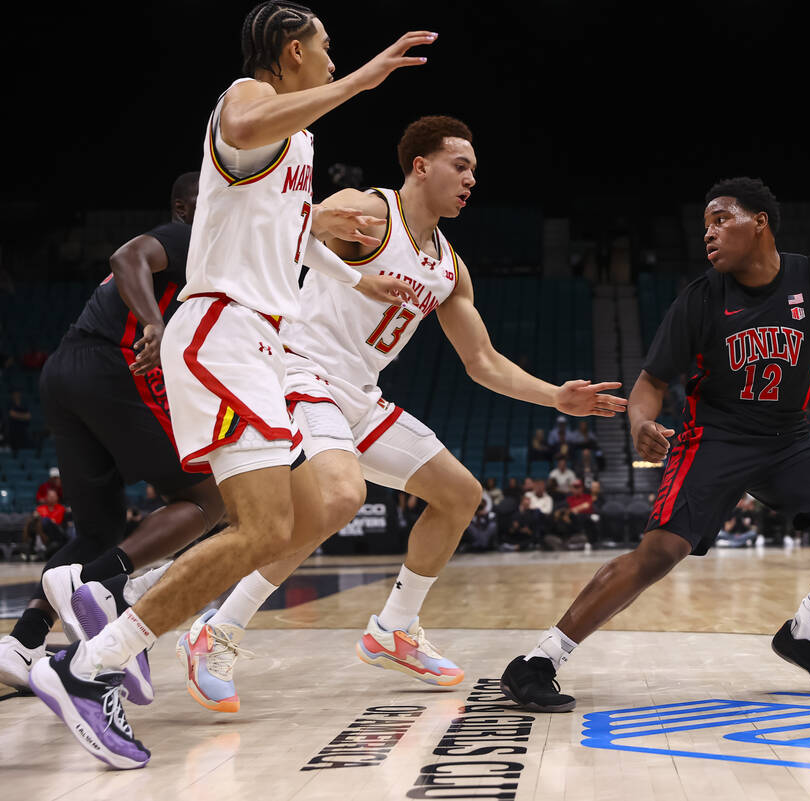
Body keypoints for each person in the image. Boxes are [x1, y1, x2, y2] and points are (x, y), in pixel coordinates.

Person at [28, 4, 435, 769]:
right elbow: (245, 131)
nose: (330, 58)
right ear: (292, 52)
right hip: (223, 330)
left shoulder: (299, 140)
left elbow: (267, 220)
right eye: (325, 49)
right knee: (257, 526)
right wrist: (364, 79)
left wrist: (337, 245)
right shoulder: (245, 97)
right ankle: (92, 660)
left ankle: (108, 615)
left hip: (252, 338)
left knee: (272, 527)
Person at [121, 115, 622, 710]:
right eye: (460, 167)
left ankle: (393, 629)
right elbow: (289, 230)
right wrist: (336, 255)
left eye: (474, 172)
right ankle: (218, 631)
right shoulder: (366, 210)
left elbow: (483, 360)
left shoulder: (448, 267)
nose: (470, 180)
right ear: (420, 166)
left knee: (461, 495)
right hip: (299, 370)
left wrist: (555, 396)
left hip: (359, 394)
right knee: (336, 499)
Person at [500, 177, 810, 712]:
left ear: (759, 222)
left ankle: (807, 633)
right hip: (714, 437)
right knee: (660, 553)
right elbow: (651, 382)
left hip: (789, 438)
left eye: (721, 219)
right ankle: (538, 661)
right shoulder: (700, 299)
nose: (709, 234)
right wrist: (639, 423)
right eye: (705, 226)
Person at [0, 174, 227, 692]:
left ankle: (22, 642)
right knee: (209, 498)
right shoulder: (186, 237)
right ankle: (104, 587)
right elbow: (126, 257)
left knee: (95, 529)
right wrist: (154, 323)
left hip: (65, 371)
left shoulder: (204, 260)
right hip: (107, 365)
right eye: (211, 200)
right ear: (183, 207)